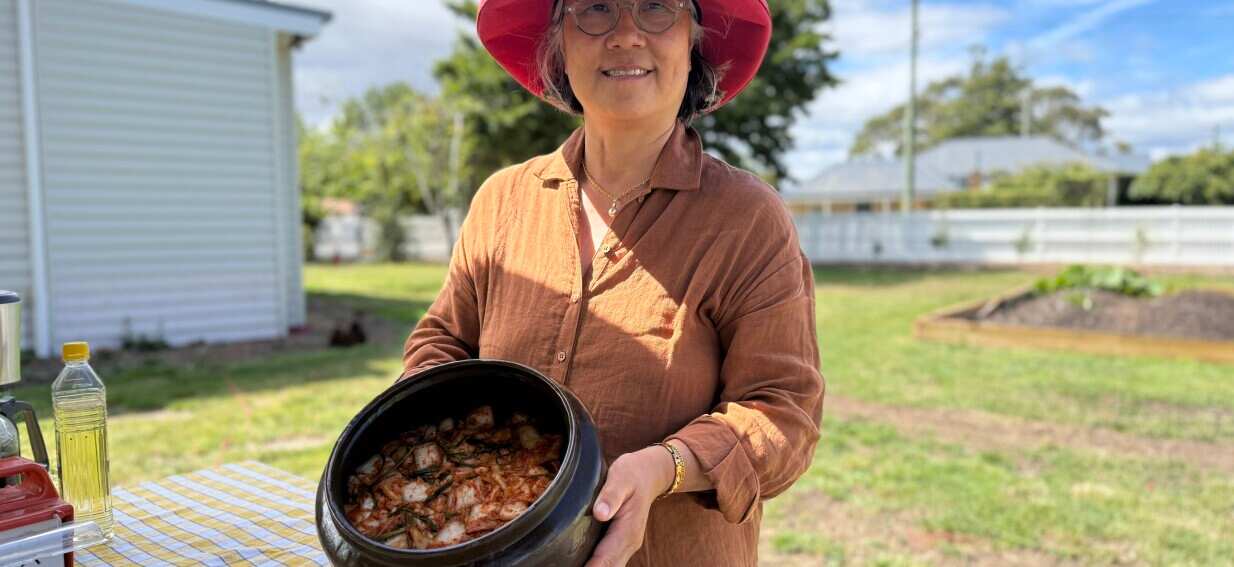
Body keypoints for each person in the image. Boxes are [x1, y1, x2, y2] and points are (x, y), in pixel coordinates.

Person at [399, 0, 824, 565]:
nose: (625, 34)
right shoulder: (502, 201)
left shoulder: (747, 219)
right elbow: (442, 342)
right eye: (594, 8)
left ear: (694, 42)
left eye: (656, 8)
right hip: (487, 546)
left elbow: (782, 412)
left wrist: (665, 467)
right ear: (559, 45)